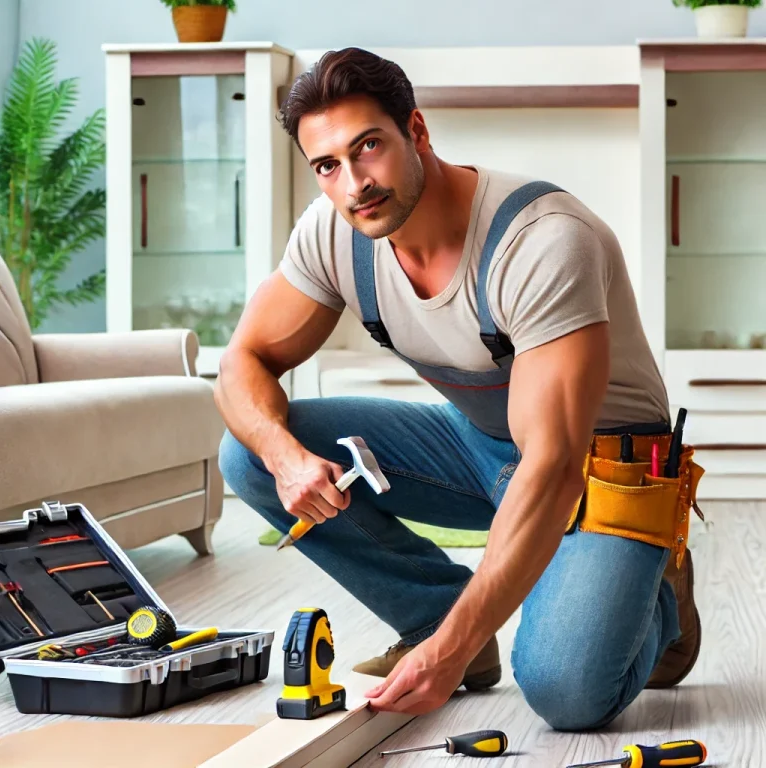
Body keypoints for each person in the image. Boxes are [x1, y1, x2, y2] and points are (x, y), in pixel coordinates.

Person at [214, 47, 701, 729]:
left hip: (604, 467)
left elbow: (555, 466)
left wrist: (446, 654)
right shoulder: (334, 234)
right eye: (327, 166)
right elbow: (243, 360)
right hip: (481, 447)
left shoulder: (541, 241)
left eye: (369, 148)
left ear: (416, 131)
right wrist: (282, 454)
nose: (354, 184)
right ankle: (437, 615)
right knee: (249, 453)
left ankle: (658, 590)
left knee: (567, 691)